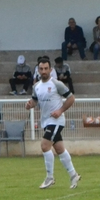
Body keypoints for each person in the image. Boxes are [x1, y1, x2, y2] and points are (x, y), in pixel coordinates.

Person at [26, 57, 81, 190]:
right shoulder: (36, 87)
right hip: (46, 121)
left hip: (56, 120)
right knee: (59, 149)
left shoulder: (57, 84)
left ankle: (50, 177)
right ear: (38, 70)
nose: (43, 71)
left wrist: (60, 110)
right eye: (41, 69)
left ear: (50, 70)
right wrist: (29, 104)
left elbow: (71, 98)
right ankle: (73, 175)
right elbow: (34, 101)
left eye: (46, 69)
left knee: (45, 146)